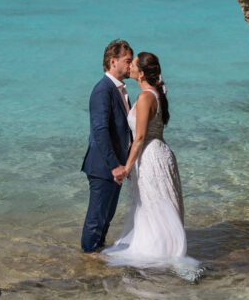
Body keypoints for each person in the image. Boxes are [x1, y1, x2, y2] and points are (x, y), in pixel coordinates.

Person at [102, 52, 202, 281]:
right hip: (158, 152)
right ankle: (164, 251)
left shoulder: (147, 97)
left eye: (133, 65)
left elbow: (140, 138)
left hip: (150, 156)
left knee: (154, 205)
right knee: (155, 204)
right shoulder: (154, 94)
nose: (130, 68)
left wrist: (126, 167)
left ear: (142, 73)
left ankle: (161, 254)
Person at [80, 39, 134, 253]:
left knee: (106, 219)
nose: (131, 65)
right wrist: (114, 165)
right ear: (113, 62)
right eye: (127, 61)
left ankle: (96, 260)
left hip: (115, 166)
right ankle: (87, 261)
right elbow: (100, 130)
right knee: (96, 221)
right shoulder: (103, 90)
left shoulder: (120, 89)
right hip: (104, 167)